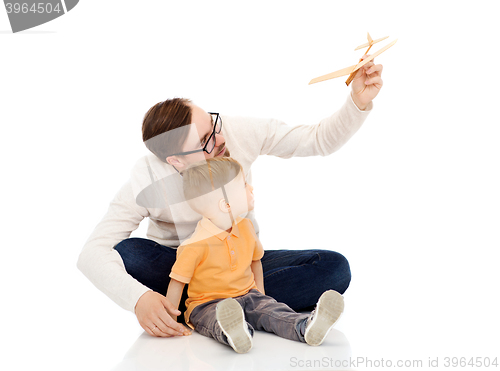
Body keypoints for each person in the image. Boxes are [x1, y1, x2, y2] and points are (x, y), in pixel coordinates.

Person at [77, 57, 383, 338]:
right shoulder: (147, 177)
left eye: (213, 124)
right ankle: (232, 305)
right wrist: (138, 299)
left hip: (237, 264)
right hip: (180, 266)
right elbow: (92, 252)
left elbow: (315, 139)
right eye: (205, 141)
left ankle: (213, 307)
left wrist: (357, 102)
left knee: (334, 267)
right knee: (129, 253)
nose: (220, 139)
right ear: (176, 161)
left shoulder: (234, 132)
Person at [167, 157, 344, 353]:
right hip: (206, 304)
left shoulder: (245, 227)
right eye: (243, 185)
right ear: (225, 204)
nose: (251, 188)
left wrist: (261, 295)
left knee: (273, 311)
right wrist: (171, 320)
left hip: (248, 295)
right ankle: (236, 332)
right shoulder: (194, 245)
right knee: (214, 319)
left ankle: (305, 326)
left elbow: (256, 262)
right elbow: (177, 283)